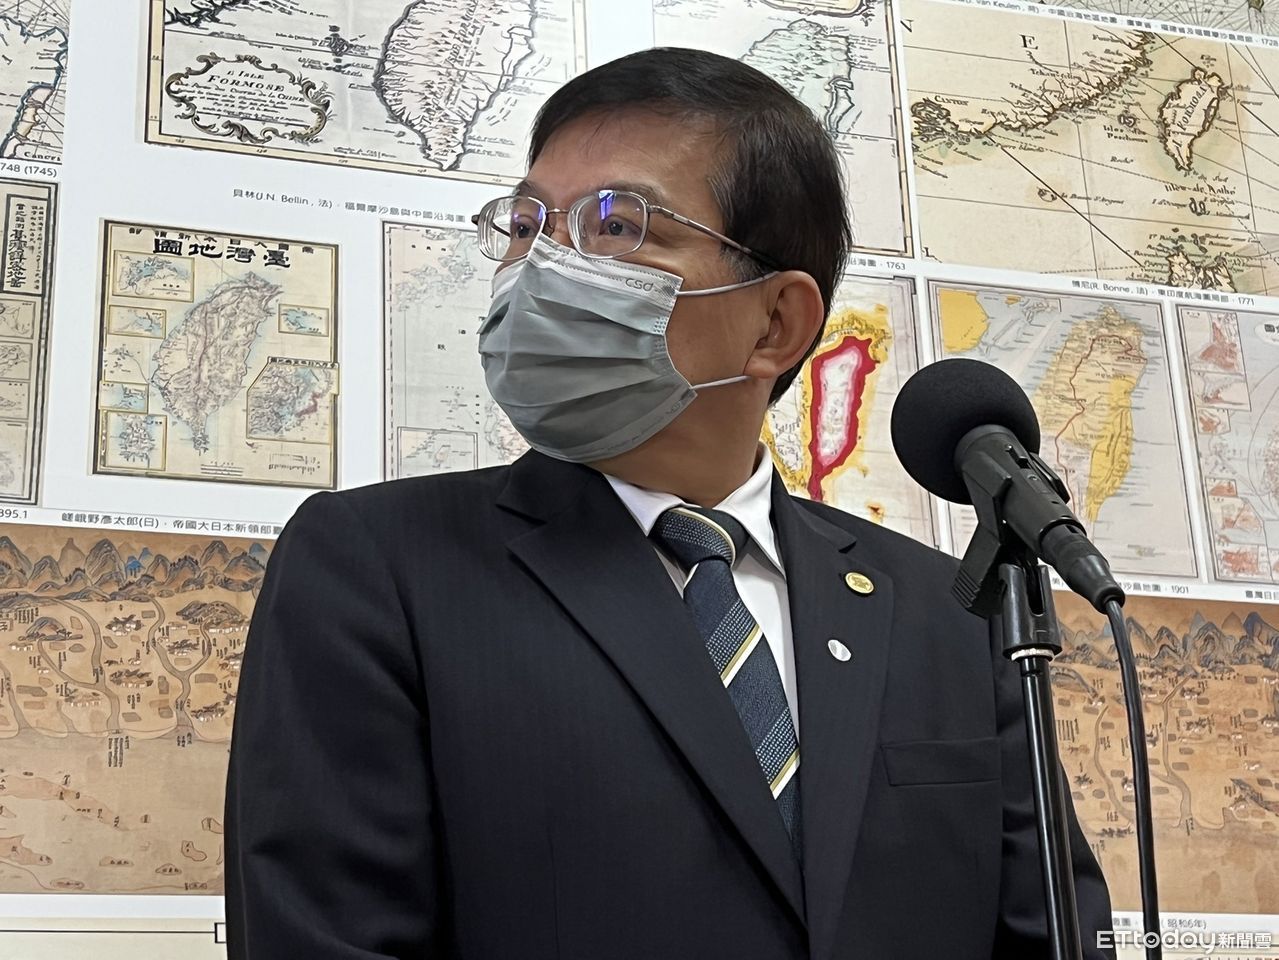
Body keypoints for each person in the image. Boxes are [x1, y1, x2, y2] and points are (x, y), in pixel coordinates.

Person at [224, 47, 1115, 959]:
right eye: (528, 225)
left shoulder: (947, 613)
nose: (542, 265)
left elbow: (1048, 931)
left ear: (775, 323)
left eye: (616, 225)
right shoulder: (378, 565)